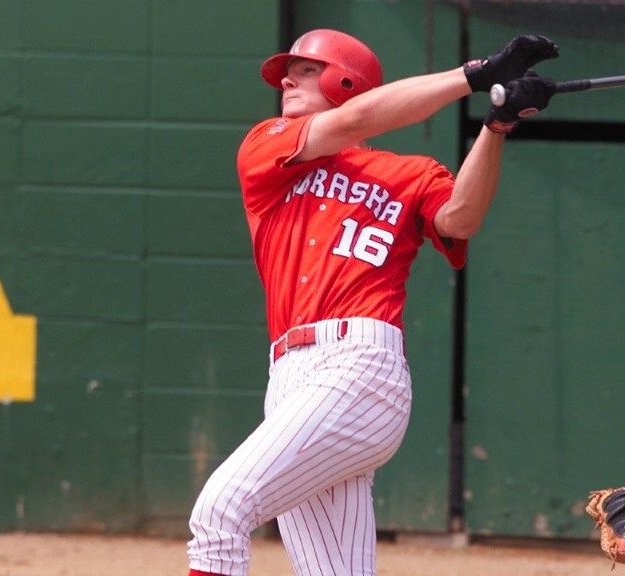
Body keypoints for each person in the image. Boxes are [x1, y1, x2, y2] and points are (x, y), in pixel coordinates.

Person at [185, 29, 558, 576]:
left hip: (358, 367)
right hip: (289, 376)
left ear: (344, 79)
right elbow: (355, 121)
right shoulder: (270, 143)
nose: (286, 78)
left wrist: (496, 127)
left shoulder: (410, 174)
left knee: (220, 512)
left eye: (305, 69)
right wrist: (474, 76)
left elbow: (461, 218)